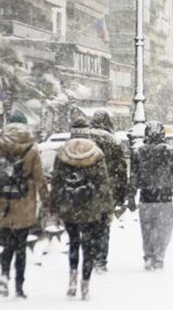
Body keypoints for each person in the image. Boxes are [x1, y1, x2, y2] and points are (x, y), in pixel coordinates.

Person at [0, 118, 48, 298]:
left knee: (6, 244)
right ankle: (19, 286)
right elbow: (40, 179)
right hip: (25, 203)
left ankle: (4, 275)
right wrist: (47, 201)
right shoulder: (32, 150)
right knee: (21, 247)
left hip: (3, 203)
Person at [51, 116, 114, 300]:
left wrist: (54, 208)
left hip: (70, 206)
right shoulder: (96, 153)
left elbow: (56, 182)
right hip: (90, 207)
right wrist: (108, 208)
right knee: (88, 247)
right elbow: (103, 183)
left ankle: (72, 280)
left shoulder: (63, 153)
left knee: (73, 244)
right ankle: (85, 286)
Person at [127, 121, 173, 271]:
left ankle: (148, 256)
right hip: (164, 199)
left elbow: (133, 176)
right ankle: (159, 256)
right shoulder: (170, 152)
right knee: (164, 230)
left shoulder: (138, 152)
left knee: (147, 229)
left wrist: (131, 195)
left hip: (146, 199)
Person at [72, 112, 127, 273]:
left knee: (87, 226)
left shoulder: (83, 140)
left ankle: (89, 255)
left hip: (85, 191)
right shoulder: (113, 141)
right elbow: (121, 169)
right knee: (103, 227)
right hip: (105, 192)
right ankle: (100, 260)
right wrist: (121, 193)